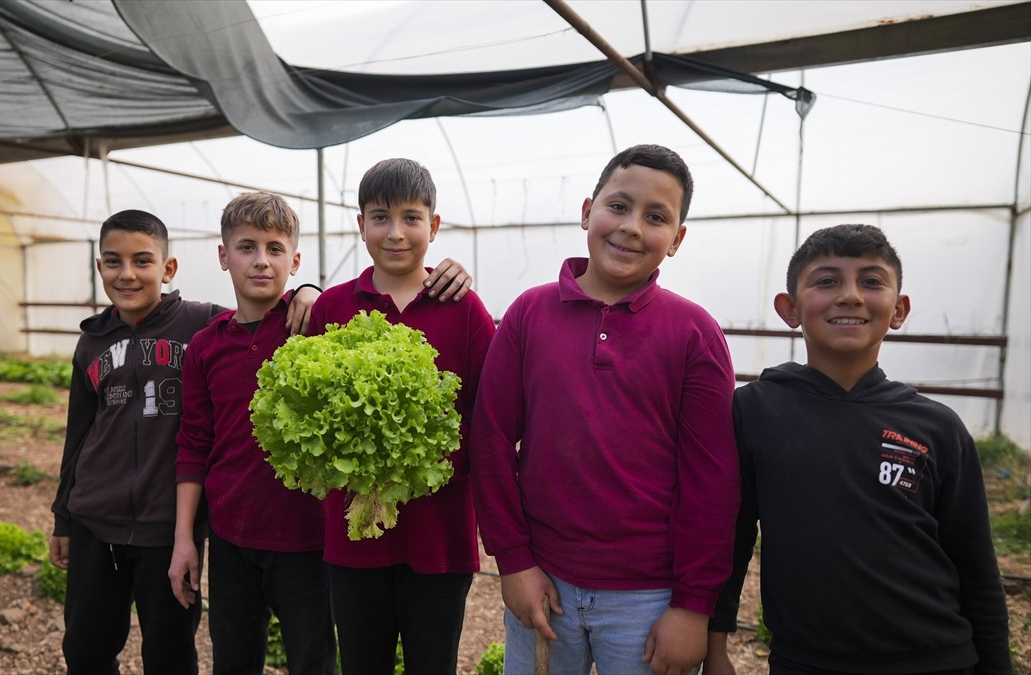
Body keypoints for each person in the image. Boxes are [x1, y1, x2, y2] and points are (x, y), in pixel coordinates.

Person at [167, 190, 477, 674]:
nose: (261, 262)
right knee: (233, 656)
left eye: (275, 250)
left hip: (307, 539)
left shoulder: (314, 319)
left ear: (294, 260)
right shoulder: (210, 343)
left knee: (316, 660)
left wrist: (308, 290)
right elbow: (193, 442)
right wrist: (185, 536)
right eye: (246, 248)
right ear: (223, 256)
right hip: (230, 534)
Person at [470, 144, 739, 675]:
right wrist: (514, 561)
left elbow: (713, 478)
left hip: (649, 598)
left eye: (656, 217)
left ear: (677, 240)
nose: (632, 227)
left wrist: (691, 606)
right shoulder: (529, 313)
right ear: (588, 210)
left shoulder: (694, 332)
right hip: (543, 581)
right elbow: (491, 438)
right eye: (619, 206)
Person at [703, 224, 1012, 675]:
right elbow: (730, 542)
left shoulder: (938, 426)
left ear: (899, 309)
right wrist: (715, 649)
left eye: (871, 281)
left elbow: (978, 569)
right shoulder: (754, 411)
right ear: (789, 308)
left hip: (938, 660)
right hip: (805, 662)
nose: (850, 295)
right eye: (826, 281)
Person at [47, 208, 320, 674]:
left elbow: (258, 309)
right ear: (100, 268)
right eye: (113, 262)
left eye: (142, 261)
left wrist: (311, 291)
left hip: (166, 526)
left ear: (168, 269)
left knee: (170, 655)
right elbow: (78, 436)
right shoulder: (90, 343)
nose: (127, 274)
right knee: (85, 651)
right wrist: (64, 517)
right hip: (95, 517)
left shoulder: (201, 325)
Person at [306, 158, 496, 675]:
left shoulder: (463, 308)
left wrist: (424, 467)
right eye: (379, 217)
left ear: (433, 227)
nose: (395, 233)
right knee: (361, 663)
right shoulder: (333, 307)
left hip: (440, 534)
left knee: (432, 664)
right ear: (360, 224)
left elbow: (489, 414)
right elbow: (307, 415)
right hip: (353, 535)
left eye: (411, 218)